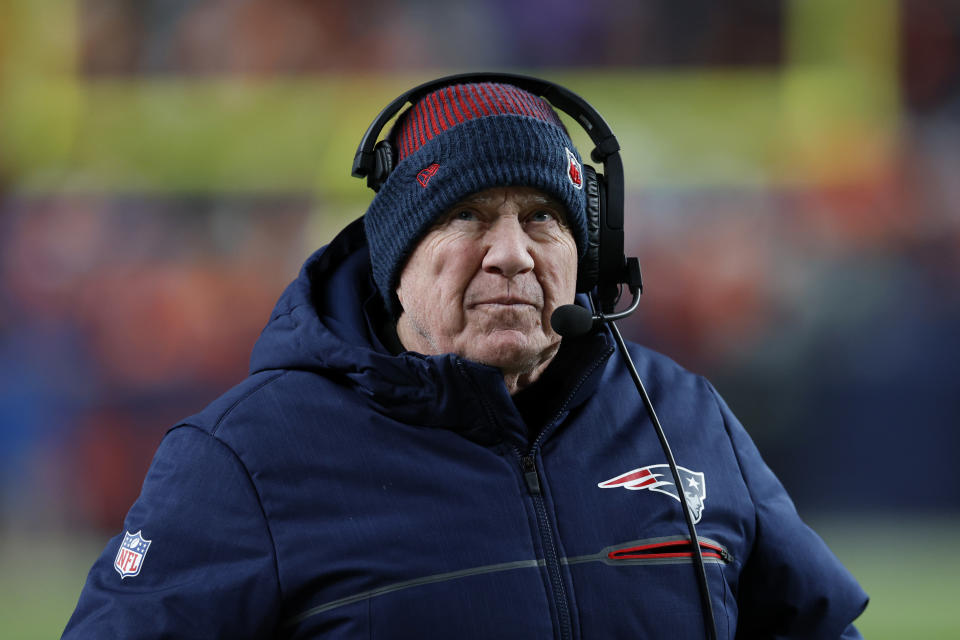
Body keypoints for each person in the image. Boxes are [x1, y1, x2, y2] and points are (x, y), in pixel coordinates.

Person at [62, 78, 868, 639]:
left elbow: (817, 628)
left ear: (587, 254)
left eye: (543, 218)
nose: (512, 254)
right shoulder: (245, 459)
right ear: (397, 261)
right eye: (469, 217)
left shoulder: (683, 416)